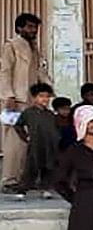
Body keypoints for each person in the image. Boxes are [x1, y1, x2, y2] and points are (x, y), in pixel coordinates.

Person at [2, 13, 52, 193]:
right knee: (14, 141)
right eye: (30, 27)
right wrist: (9, 96)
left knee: (31, 141)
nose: (33, 30)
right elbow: (5, 71)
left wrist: (48, 91)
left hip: (32, 101)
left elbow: (40, 72)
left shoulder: (35, 48)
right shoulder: (11, 46)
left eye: (35, 27)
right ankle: (9, 180)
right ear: (20, 28)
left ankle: (26, 179)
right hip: (16, 100)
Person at [14, 82, 59, 199]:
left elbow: (56, 129)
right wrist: (25, 137)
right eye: (41, 96)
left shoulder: (50, 114)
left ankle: (45, 189)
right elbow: (18, 125)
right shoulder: (28, 112)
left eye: (47, 96)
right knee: (31, 167)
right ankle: (22, 190)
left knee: (48, 166)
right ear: (34, 98)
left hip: (49, 145)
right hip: (35, 143)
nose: (45, 99)